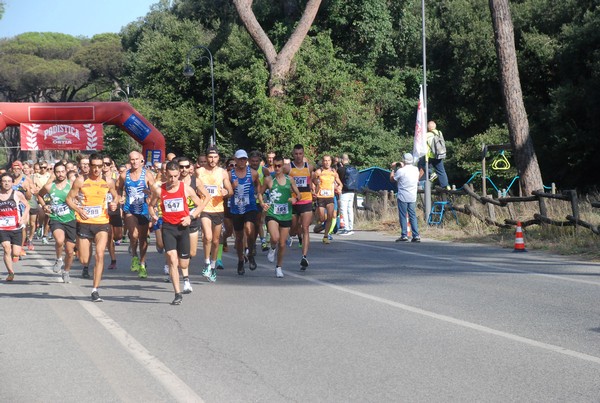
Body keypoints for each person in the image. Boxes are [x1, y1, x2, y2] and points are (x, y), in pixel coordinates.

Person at [148, 161, 204, 305]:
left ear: (179, 174)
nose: (172, 179)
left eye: (175, 176)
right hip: (168, 228)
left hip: (183, 228)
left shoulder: (186, 189)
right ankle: (177, 293)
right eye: (170, 176)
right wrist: (153, 215)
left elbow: (200, 205)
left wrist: (190, 217)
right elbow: (151, 205)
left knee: (183, 263)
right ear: (166, 174)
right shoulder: (160, 190)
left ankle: (184, 275)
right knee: (172, 260)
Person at [66, 153, 119, 302]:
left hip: (102, 223)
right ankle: (85, 265)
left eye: (99, 166)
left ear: (103, 167)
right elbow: (68, 199)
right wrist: (79, 210)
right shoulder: (80, 181)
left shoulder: (108, 181)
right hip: (84, 223)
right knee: (84, 259)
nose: (96, 169)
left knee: (100, 254)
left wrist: (114, 203)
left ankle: (95, 289)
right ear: (89, 166)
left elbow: (115, 196)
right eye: (93, 166)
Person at [258, 154, 301, 278]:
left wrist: (294, 199)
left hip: (286, 214)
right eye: (275, 166)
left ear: (283, 167)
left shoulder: (290, 180)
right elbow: (260, 194)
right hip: (272, 213)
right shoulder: (269, 180)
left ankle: (279, 267)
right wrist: (262, 204)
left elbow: (299, 195)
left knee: (282, 244)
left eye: (279, 166)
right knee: (275, 238)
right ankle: (272, 248)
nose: (277, 168)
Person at [37, 162, 77, 283]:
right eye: (58, 172)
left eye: (62, 171)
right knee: (59, 241)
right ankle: (59, 259)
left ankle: (66, 271)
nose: (60, 174)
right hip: (56, 218)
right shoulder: (50, 186)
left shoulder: (72, 185)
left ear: (66, 172)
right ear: (54, 173)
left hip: (70, 219)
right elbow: (39, 195)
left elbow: (80, 196)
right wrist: (44, 206)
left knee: (70, 252)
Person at [197, 146, 232, 283]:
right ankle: (206, 263)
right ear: (206, 158)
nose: (212, 160)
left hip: (218, 209)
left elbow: (230, 191)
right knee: (208, 236)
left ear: (218, 158)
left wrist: (226, 192)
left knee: (216, 240)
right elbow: (192, 185)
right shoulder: (199, 172)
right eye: (210, 157)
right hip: (205, 208)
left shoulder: (223, 173)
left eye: (215, 157)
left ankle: (212, 265)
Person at [118, 151, 154, 278]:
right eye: (132, 159)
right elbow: (118, 187)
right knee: (133, 234)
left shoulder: (148, 175)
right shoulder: (124, 175)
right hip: (130, 209)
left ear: (141, 160)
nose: (134, 162)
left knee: (143, 238)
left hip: (143, 210)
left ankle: (143, 263)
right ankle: (134, 256)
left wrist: (149, 194)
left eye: (136, 159)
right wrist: (119, 198)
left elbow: (154, 193)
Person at [229, 149, 260, 275]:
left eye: (244, 159)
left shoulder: (253, 173)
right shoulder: (230, 175)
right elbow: (225, 190)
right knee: (239, 237)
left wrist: (258, 194)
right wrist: (232, 187)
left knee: (249, 229)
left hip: (249, 206)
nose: (242, 161)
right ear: (235, 160)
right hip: (236, 208)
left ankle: (251, 252)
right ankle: (241, 260)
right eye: (240, 159)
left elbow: (258, 185)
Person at [285, 144, 315, 270]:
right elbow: (280, 179)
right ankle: (291, 235)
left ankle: (304, 257)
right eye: (296, 154)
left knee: (305, 228)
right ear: (293, 154)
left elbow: (311, 180)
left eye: (300, 153)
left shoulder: (309, 167)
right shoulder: (288, 168)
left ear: (303, 154)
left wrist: (313, 190)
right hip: (293, 202)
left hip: (306, 200)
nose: (298, 156)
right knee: (293, 228)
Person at [0, 173, 30, 282]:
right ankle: (10, 272)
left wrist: (23, 217)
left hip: (16, 227)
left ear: (12, 183)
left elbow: (27, 206)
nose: (6, 183)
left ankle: (15, 254)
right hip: (2, 228)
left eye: (8, 181)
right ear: (1, 182)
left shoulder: (17, 194)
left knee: (16, 253)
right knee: (6, 248)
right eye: (4, 181)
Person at [390, 153, 420, 243]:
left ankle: (404, 235)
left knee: (403, 216)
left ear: (404, 160)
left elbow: (392, 179)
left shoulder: (401, 171)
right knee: (413, 215)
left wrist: (393, 169)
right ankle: (416, 235)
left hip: (403, 195)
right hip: (412, 195)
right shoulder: (416, 169)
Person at [313, 155, 342, 244]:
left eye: (328, 160)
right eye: (325, 161)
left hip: (330, 197)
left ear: (331, 162)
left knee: (331, 216)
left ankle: (325, 236)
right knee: (322, 218)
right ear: (322, 162)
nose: (327, 162)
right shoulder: (318, 172)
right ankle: (319, 223)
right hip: (321, 197)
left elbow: (340, 183)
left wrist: (339, 188)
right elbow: (312, 181)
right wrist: (315, 187)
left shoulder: (334, 172)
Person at [418, 121, 449, 188]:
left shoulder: (426, 135)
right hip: (439, 155)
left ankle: (431, 173)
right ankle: (445, 186)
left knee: (421, 165)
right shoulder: (439, 133)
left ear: (428, 128)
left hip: (429, 155)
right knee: (441, 171)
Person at [337, 153, 357, 235]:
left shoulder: (341, 169)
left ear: (341, 160)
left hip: (344, 191)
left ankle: (346, 228)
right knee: (350, 209)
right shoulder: (353, 168)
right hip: (352, 191)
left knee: (343, 209)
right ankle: (351, 227)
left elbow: (338, 180)